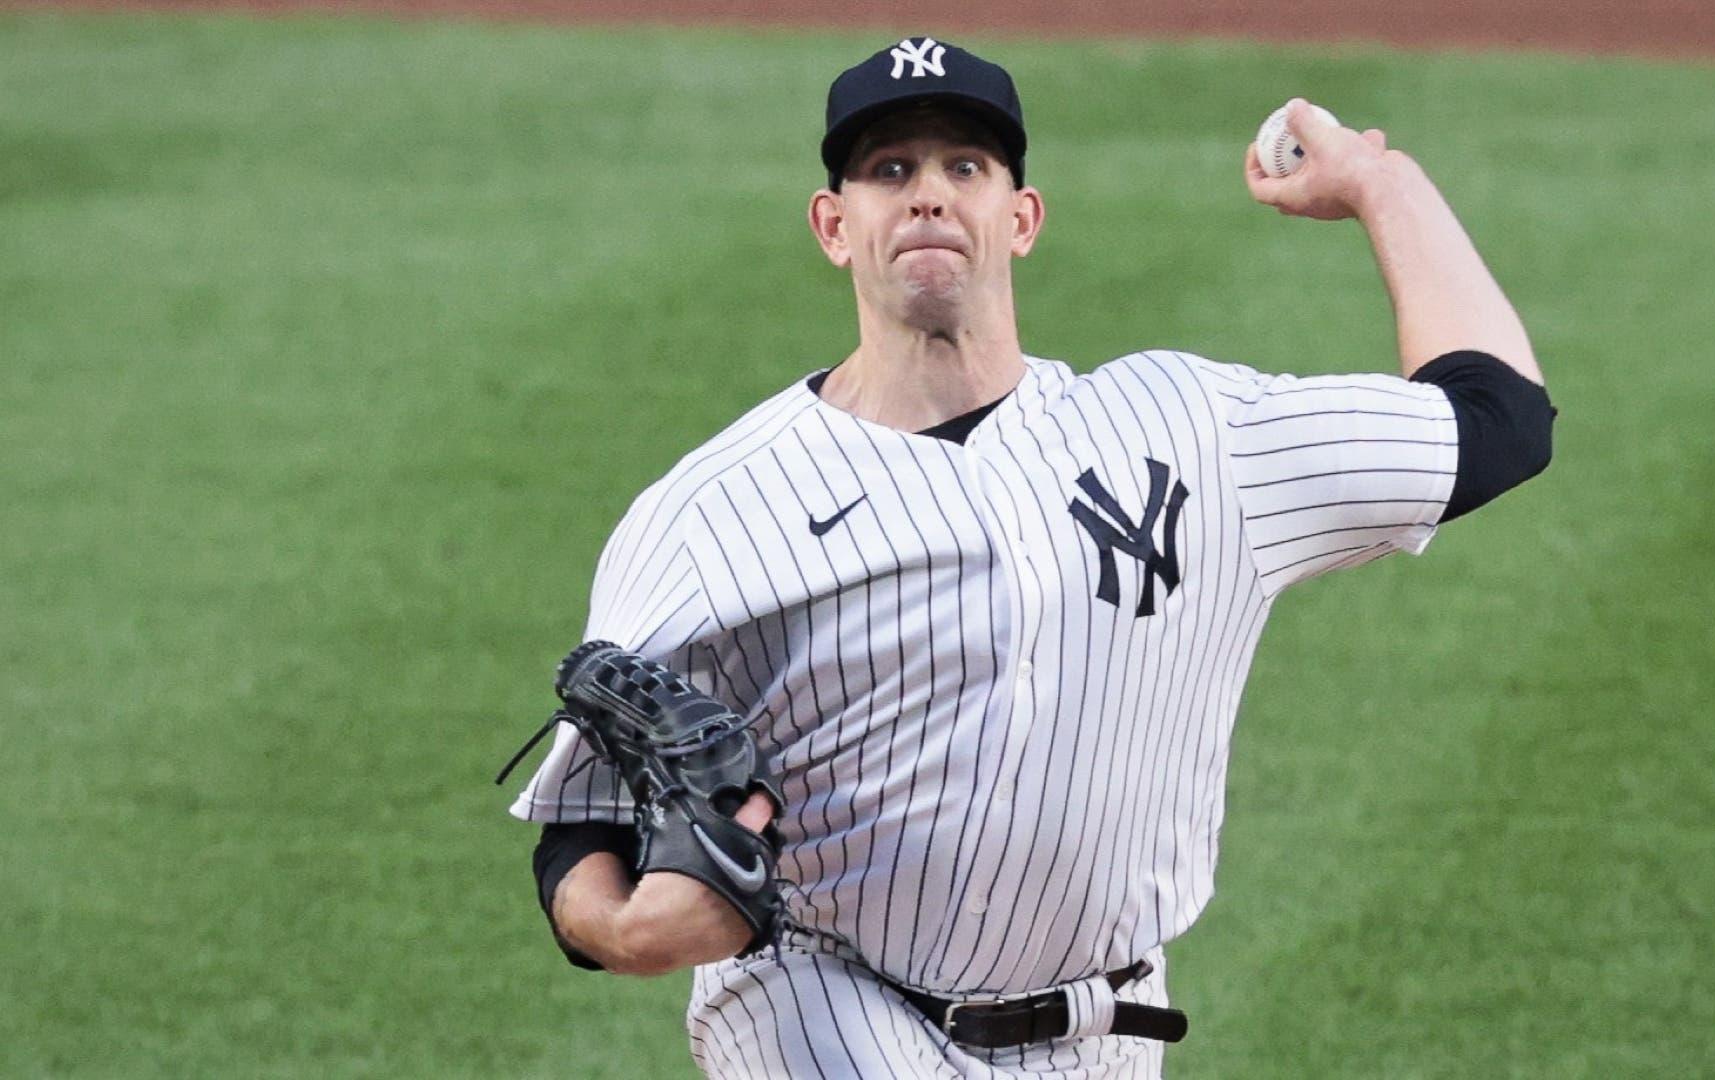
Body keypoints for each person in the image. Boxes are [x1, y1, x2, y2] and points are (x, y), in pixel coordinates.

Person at [507, 36, 1554, 1079]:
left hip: (1108, 1029)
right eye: (889, 171)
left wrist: (1383, 182)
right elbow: (581, 819)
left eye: (965, 167)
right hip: (817, 1000)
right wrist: (626, 929)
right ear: (834, 226)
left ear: (1023, 218)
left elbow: (1500, 421)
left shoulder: (1192, 432)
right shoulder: (713, 511)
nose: (928, 196)